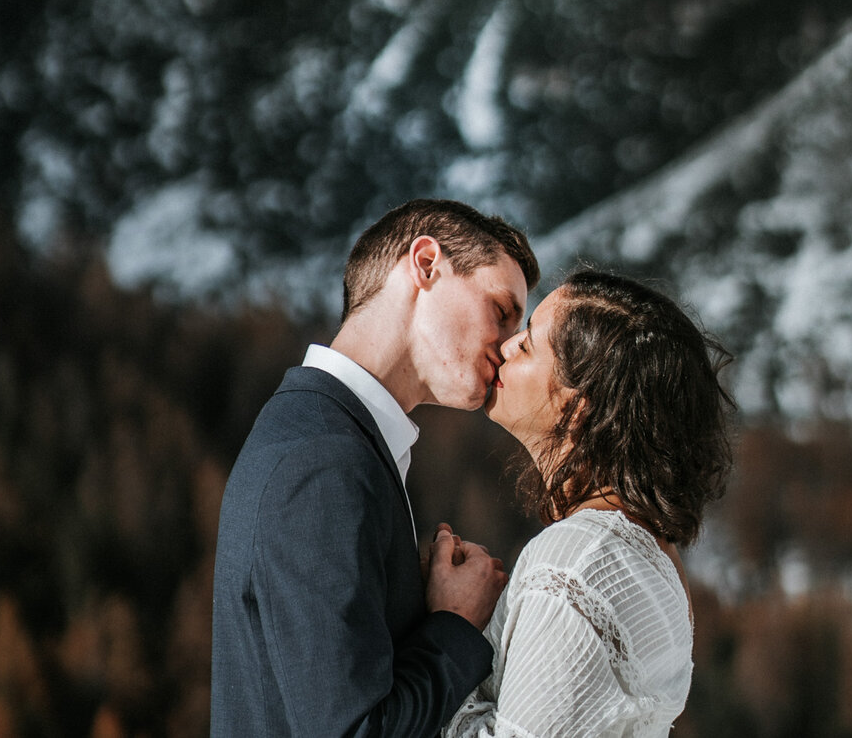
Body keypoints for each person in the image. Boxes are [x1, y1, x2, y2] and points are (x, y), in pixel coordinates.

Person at [210, 197, 541, 738]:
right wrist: (455, 625)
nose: (507, 347)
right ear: (427, 264)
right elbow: (354, 730)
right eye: (501, 312)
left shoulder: (323, 436)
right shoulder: (323, 462)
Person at [444, 268, 734, 738]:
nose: (507, 345)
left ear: (579, 408)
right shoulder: (656, 557)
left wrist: (450, 629)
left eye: (531, 341)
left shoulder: (577, 564)